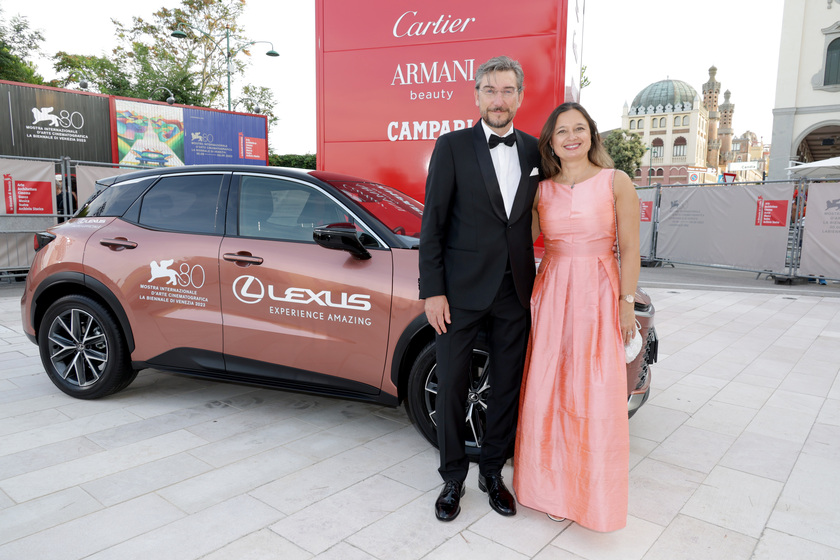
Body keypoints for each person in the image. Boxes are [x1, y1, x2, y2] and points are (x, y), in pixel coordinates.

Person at [419, 55, 541, 522]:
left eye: (508, 90)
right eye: (490, 90)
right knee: (450, 384)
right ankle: (452, 477)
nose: (499, 99)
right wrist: (433, 290)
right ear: (476, 96)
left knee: (508, 385)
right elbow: (433, 224)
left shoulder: (534, 151)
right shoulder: (451, 146)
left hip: (515, 291)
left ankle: (493, 472)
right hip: (458, 292)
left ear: (520, 97)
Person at [512, 102, 640, 532]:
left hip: (599, 292)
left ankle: (591, 494)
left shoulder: (615, 182)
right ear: (549, 141)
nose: (571, 136)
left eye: (579, 128)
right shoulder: (541, 190)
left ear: (591, 135)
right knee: (550, 387)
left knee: (593, 390)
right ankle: (548, 488)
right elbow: (518, 239)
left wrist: (626, 303)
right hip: (550, 291)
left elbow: (631, 249)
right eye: (561, 131)